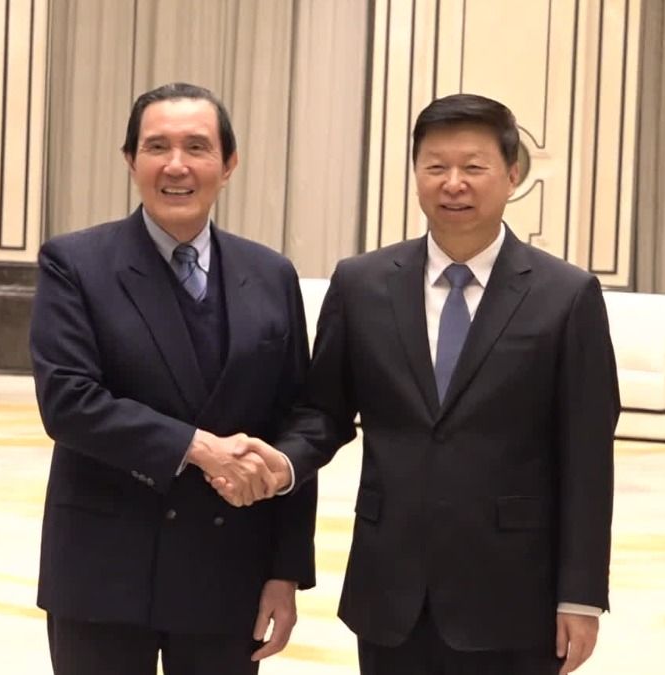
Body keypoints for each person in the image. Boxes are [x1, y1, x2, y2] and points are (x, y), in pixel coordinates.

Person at [218, 93, 620, 674]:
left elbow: (587, 456)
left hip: (514, 589)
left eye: (473, 166)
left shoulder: (566, 295)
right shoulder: (362, 284)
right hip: (391, 586)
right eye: (436, 166)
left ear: (512, 174)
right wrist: (282, 463)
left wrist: (580, 596)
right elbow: (322, 412)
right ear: (415, 174)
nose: (453, 183)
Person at [30, 82, 316, 675]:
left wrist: (285, 572)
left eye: (197, 147)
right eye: (157, 146)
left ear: (228, 164)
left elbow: (293, 423)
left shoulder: (271, 275)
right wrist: (200, 448)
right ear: (130, 160)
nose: (176, 165)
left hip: (228, 571)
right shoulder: (76, 263)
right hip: (104, 570)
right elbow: (69, 401)